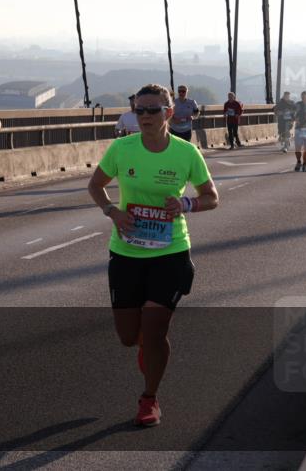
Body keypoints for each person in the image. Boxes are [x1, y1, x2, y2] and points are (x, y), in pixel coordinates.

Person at [87, 83, 218, 428]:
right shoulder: (121, 148)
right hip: (127, 251)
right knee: (129, 336)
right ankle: (146, 343)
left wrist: (186, 203)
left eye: (152, 110)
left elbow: (212, 197)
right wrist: (113, 212)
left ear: (169, 114)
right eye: (139, 110)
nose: (144, 116)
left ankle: (149, 398)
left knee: (156, 330)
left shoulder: (186, 153)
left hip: (170, 251)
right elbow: (95, 186)